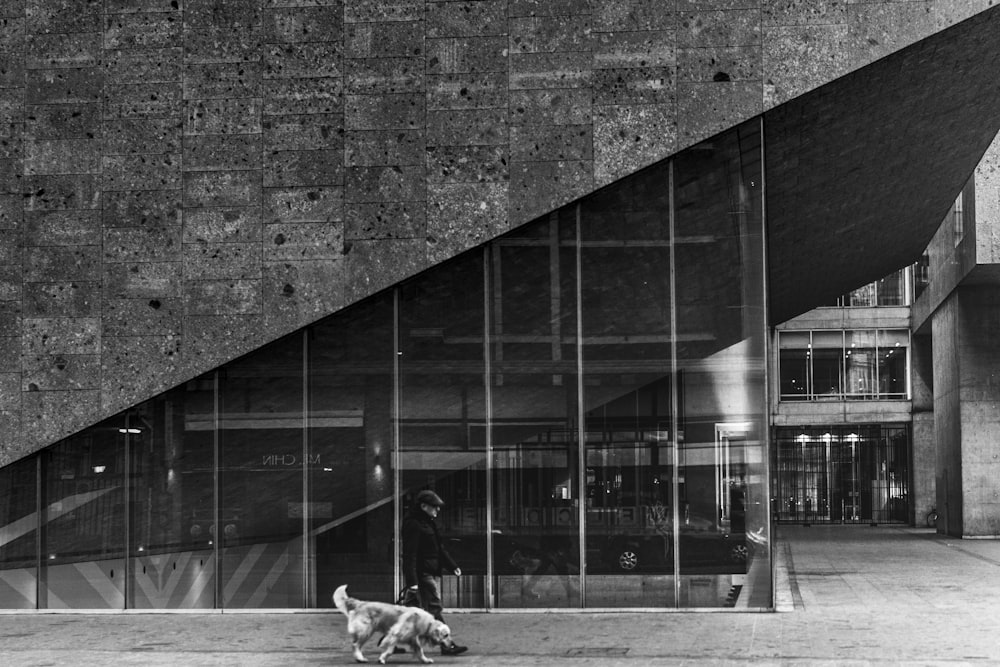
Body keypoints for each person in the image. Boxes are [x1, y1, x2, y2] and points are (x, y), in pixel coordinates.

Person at [401, 489, 469, 656]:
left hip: (428, 571)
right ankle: (447, 645)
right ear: (423, 506)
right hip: (422, 573)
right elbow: (409, 554)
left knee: (412, 611)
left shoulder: (428, 522)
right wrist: (412, 581)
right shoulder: (414, 524)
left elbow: (438, 549)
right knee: (434, 608)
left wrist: (452, 565)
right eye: (434, 507)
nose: (437, 510)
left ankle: (393, 640)